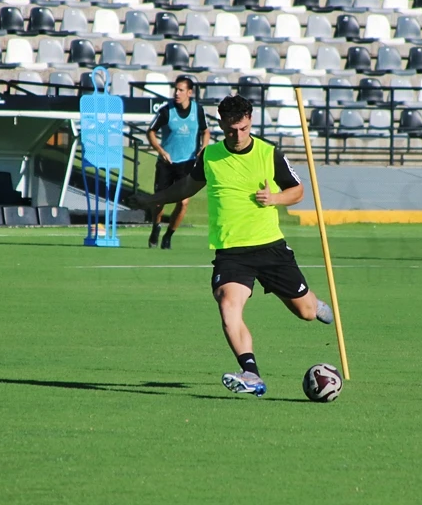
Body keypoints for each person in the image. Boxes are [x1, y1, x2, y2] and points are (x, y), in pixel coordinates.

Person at [131, 94, 334, 397]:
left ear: (250, 121)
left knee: (305, 312)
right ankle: (251, 374)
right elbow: (188, 185)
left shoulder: (269, 154)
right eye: (230, 130)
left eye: (243, 128)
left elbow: (298, 190)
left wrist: (275, 198)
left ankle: (313, 303)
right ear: (222, 124)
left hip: (270, 247)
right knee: (228, 305)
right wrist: (152, 199)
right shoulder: (211, 156)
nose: (237, 136)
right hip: (231, 252)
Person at [146, 76, 210, 250]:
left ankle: (168, 236)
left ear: (189, 92)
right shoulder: (167, 111)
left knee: (183, 202)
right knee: (159, 202)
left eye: (181, 90)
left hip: (187, 164)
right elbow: (150, 131)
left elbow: (206, 132)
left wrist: (203, 148)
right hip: (167, 162)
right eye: (176, 89)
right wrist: (161, 151)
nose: (177, 93)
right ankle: (156, 227)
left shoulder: (198, 111)